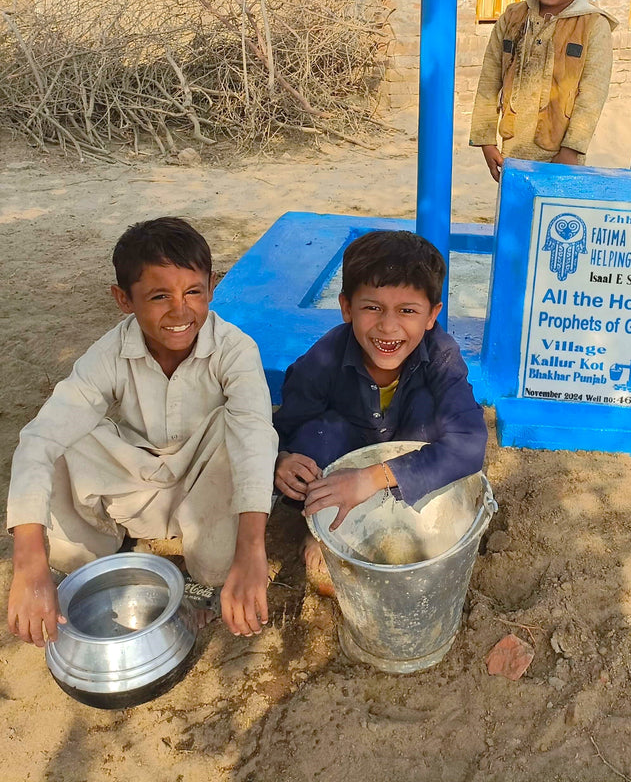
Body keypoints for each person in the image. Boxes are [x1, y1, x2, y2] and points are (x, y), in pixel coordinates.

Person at [6, 217, 279, 646]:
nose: (180, 310)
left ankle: (203, 574)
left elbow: (254, 441)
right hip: (139, 481)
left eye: (194, 291)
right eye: (158, 296)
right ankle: (106, 553)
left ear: (212, 286)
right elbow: (40, 440)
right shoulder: (111, 353)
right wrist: (29, 565)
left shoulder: (235, 350)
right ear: (124, 300)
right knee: (59, 440)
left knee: (241, 433)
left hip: (206, 484)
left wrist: (252, 552)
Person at [273, 230, 487, 569]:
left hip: (402, 470)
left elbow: (469, 444)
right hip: (341, 462)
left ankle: (398, 521)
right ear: (346, 307)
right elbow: (285, 427)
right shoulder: (322, 361)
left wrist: (370, 478)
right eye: (372, 307)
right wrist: (281, 460)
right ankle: (324, 525)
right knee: (318, 435)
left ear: (432, 315)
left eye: (407, 310)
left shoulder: (442, 357)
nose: (388, 327)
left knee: (431, 414)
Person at [469, 0, 618, 182]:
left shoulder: (593, 26)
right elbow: (489, 81)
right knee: (514, 218)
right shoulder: (512, 18)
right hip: (511, 154)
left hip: (562, 159)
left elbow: (591, 97)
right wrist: (486, 139)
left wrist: (571, 152)